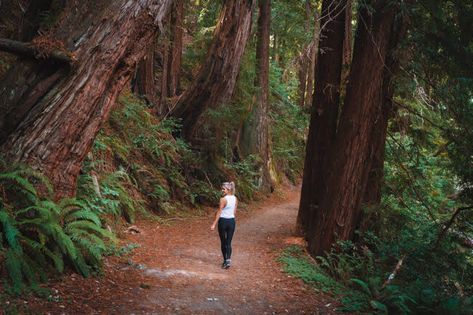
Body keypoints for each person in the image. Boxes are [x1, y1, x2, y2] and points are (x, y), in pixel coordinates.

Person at [210, 181, 237, 269]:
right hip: (232, 222)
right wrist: (232, 218)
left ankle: (225, 260)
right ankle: (228, 260)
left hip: (223, 222)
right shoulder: (235, 198)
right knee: (228, 242)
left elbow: (219, 211)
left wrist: (214, 224)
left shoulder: (223, 199)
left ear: (228, 189)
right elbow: (234, 212)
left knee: (223, 242)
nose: (222, 190)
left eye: (223, 189)